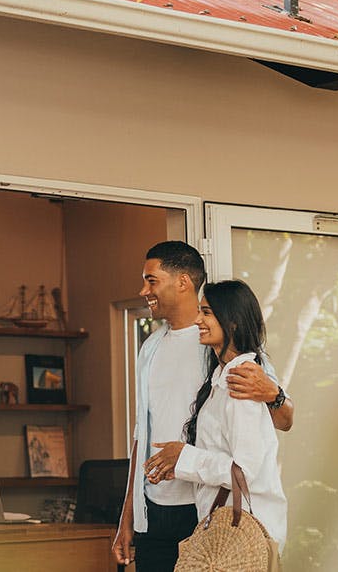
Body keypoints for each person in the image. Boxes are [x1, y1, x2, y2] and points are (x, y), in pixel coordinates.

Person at [113, 241, 293, 571]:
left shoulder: (228, 354)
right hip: (154, 511)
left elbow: (282, 421)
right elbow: (142, 434)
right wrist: (128, 518)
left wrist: (274, 394)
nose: (143, 291)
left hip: (207, 509)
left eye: (151, 280)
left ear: (182, 281)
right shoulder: (150, 348)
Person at [146, 280, 288, 552]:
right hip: (227, 531)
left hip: (246, 537)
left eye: (207, 313)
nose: (198, 320)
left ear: (232, 322)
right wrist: (177, 466)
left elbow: (244, 471)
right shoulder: (220, 378)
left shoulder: (241, 380)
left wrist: (184, 457)